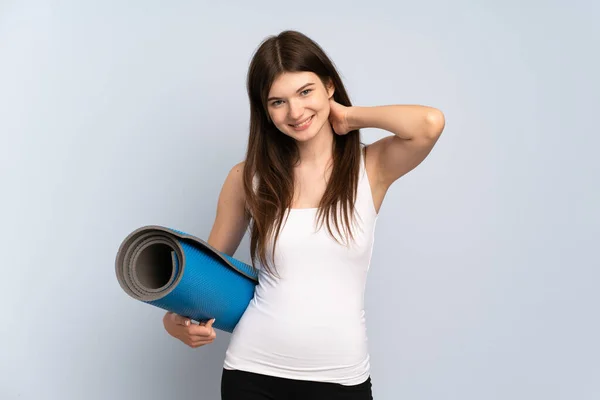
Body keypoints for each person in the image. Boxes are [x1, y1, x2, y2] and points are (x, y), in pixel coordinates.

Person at [162, 30, 445, 399]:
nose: (295, 112)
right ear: (264, 110)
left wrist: (349, 117)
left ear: (330, 86)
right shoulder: (247, 178)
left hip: (341, 378)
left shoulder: (370, 168)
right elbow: (202, 279)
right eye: (278, 101)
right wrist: (175, 323)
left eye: (305, 92)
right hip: (252, 373)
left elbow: (429, 124)